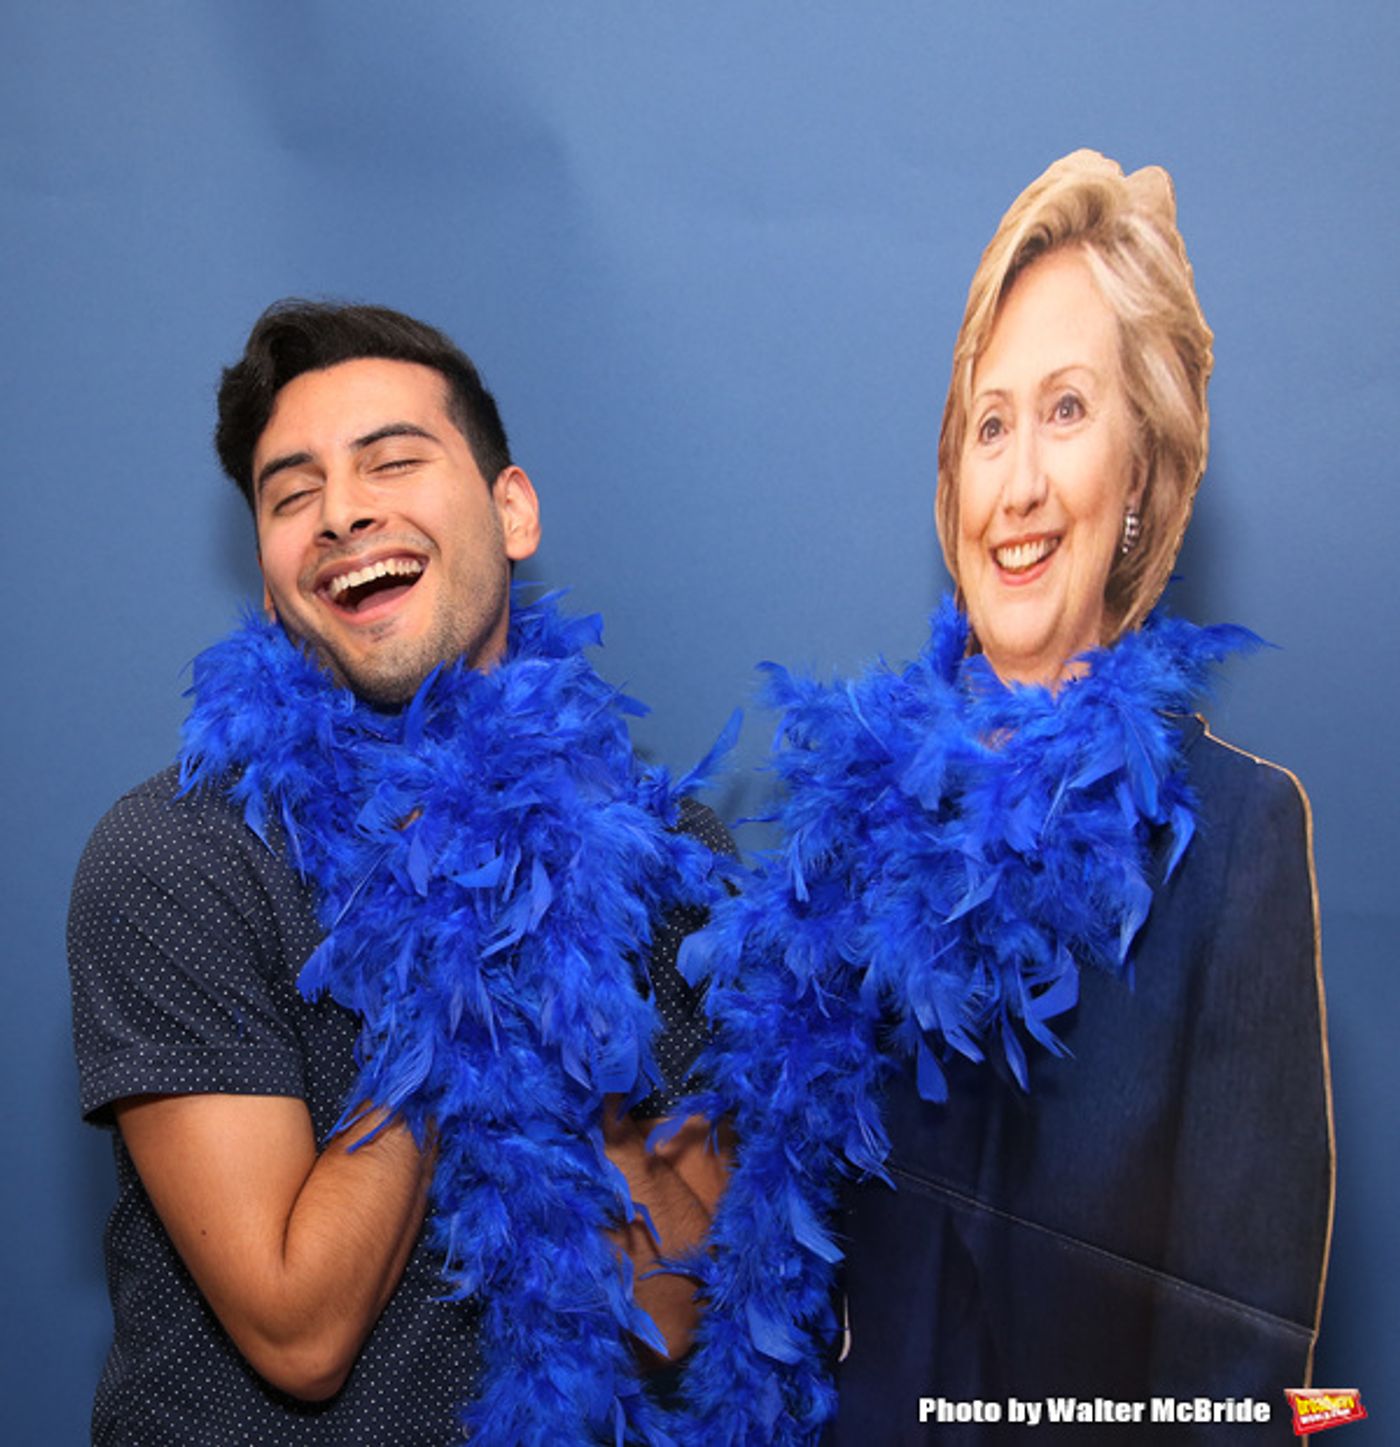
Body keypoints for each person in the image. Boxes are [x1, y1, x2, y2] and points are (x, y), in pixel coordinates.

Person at [676, 152, 1333, 1443]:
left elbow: (1245, 1389)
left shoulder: (1239, 843)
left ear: (1140, 479)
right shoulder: (847, 848)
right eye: (990, 423)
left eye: (1069, 412)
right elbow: (764, 1297)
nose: (1020, 482)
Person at [68, 301, 734, 1446]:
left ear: (509, 510)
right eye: (291, 494)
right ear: (274, 580)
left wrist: (580, 1038)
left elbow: (674, 1312)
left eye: (392, 460)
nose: (342, 512)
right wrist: (459, 931)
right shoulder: (175, 860)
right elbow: (299, 1331)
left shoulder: (665, 853)